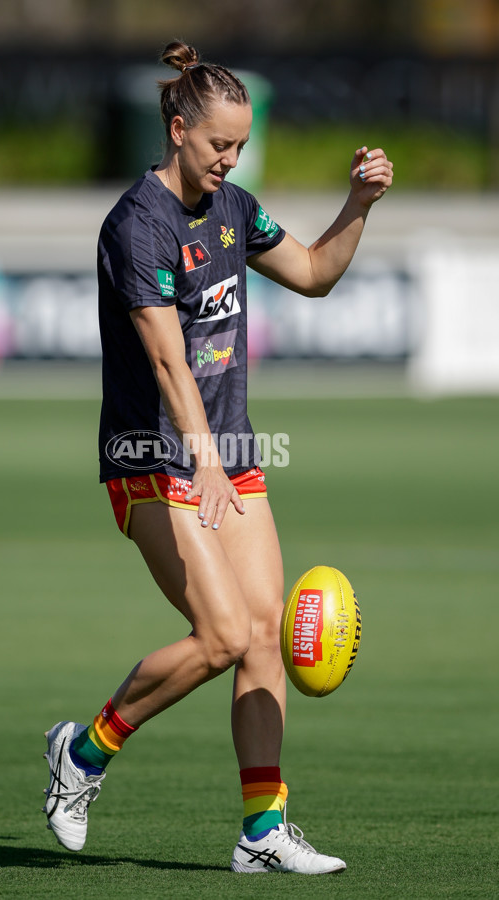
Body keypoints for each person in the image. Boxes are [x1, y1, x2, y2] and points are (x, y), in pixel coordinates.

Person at [42, 40, 393, 875]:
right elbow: (166, 360)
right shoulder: (138, 225)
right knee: (222, 634)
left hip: (226, 451)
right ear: (176, 129)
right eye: (216, 146)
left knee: (262, 637)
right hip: (150, 459)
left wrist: (358, 204)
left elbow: (311, 272)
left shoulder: (234, 207)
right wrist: (201, 461)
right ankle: (81, 755)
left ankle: (263, 833)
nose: (229, 160)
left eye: (238, 146)